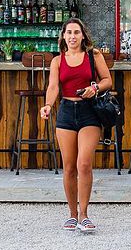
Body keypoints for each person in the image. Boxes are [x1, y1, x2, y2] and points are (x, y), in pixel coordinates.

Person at [39, 18, 113, 233]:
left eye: (76, 32)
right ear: (63, 36)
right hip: (65, 112)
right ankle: (72, 214)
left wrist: (96, 88)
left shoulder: (93, 55)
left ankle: (84, 214)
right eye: (68, 32)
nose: (72, 36)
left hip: (89, 111)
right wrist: (47, 105)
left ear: (83, 35)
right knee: (69, 166)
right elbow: (53, 87)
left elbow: (108, 80)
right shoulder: (57, 61)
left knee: (84, 164)